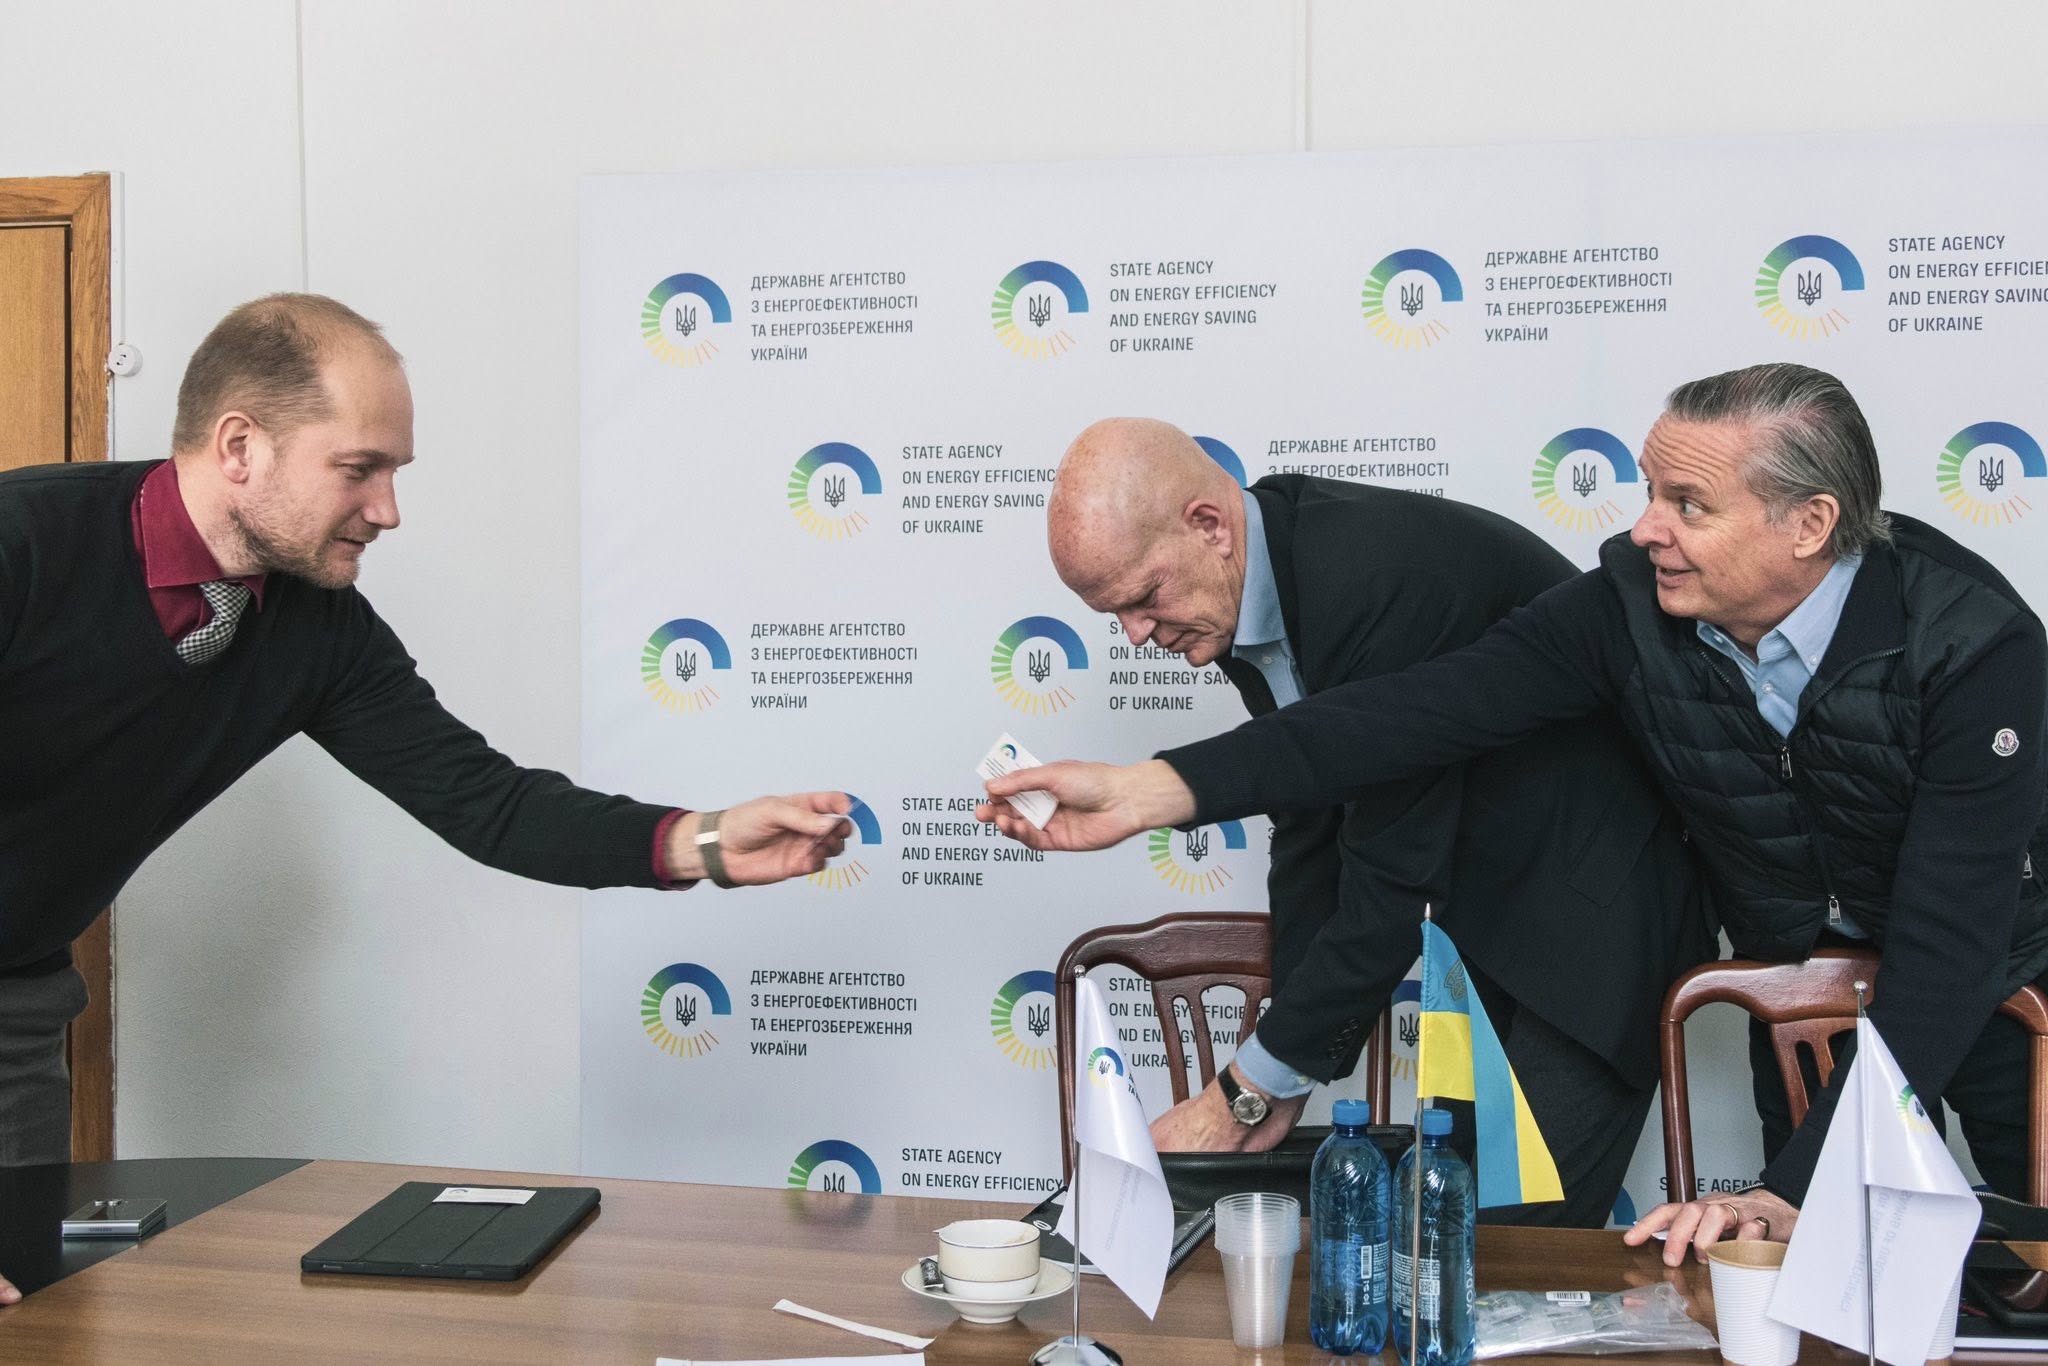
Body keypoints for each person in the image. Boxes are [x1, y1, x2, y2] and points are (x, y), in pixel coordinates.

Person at [982, 364, 2048, 1266]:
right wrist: (1149, 789)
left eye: (1688, 504)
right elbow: (1403, 718)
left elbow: (1949, 949)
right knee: (1819, 1288)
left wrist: (1792, 1189)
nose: (1646, 529)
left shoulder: (1972, 645)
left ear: (1808, 523)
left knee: (2024, 1270)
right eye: (1649, 492)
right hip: (1796, 985)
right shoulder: (1629, 601)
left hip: (2001, 980)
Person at [0, 294, 849, 1304]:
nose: (388, 509)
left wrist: (701, 842)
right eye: (359, 469)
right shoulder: (24, 541)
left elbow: (487, 802)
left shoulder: (319, 631)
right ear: (240, 447)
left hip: (19, 1003)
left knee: (26, 1310)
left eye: (394, 472)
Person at [1043, 418, 1708, 1228]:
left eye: (1144, 598)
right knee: (1448, 1241)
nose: (1137, 634)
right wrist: (1285, 1070)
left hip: (1592, 930)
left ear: (1209, 526)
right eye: (1114, 614)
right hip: (1487, 931)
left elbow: (1395, 871)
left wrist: (1244, 1096)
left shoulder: (1375, 577)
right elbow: (1311, 829)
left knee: (1512, 1256)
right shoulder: (1248, 584)